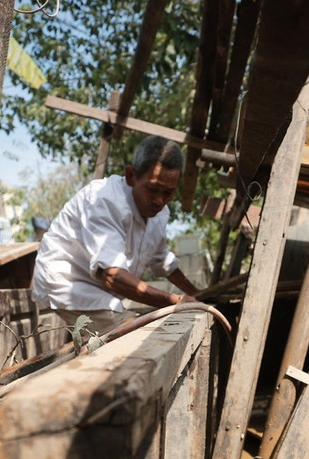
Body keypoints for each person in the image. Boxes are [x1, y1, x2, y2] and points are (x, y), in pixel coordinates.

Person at [31, 135, 200, 333]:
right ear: (131, 176)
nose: (159, 201)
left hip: (102, 292)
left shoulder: (160, 214)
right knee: (135, 336)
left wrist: (196, 294)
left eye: (168, 193)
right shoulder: (103, 199)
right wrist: (176, 301)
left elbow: (161, 260)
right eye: (153, 189)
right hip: (68, 283)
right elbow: (112, 277)